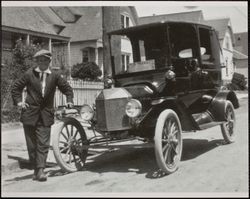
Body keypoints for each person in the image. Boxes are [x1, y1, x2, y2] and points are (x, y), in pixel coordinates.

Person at [11, 49, 74, 181]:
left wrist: (69, 101)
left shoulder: (55, 76)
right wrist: (19, 102)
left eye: (45, 60)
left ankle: (40, 170)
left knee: (43, 143)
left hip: (46, 114)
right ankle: (36, 169)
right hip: (29, 114)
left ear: (49, 61)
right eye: (40, 60)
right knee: (32, 145)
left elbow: (67, 89)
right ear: (37, 62)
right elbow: (16, 88)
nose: (42, 63)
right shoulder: (29, 74)